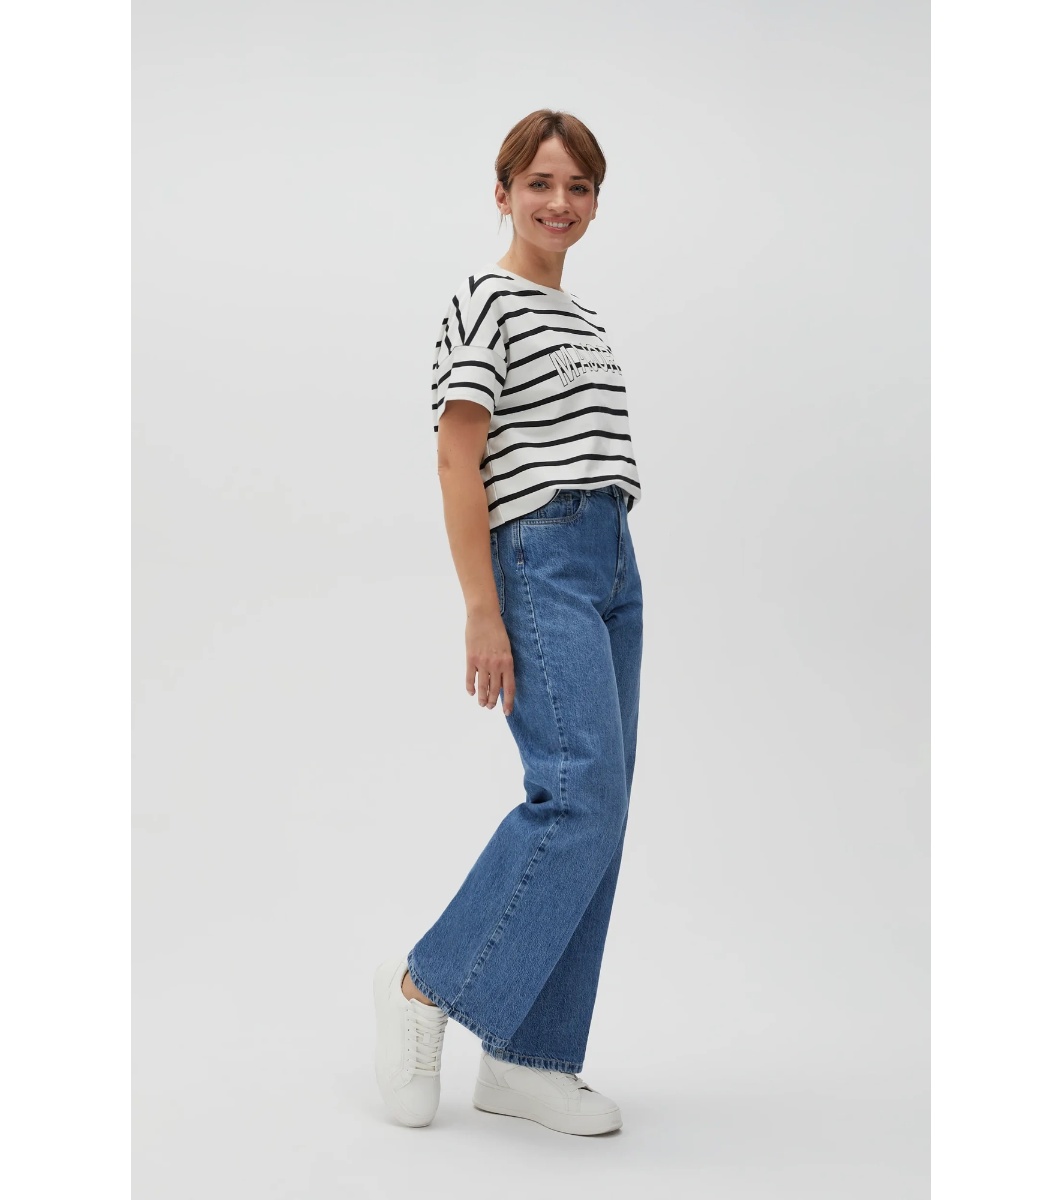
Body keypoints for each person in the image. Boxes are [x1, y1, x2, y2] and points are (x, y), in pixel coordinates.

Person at [374, 109, 644, 1137]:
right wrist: (481, 605)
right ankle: (425, 984)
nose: (559, 203)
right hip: (539, 555)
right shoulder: (486, 300)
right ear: (503, 193)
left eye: (579, 187)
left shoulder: (583, 320)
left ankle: (530, 1058)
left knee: (601, 812)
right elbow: (458, 456)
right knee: (577, 796)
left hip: (612, 558)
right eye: (540, 182)